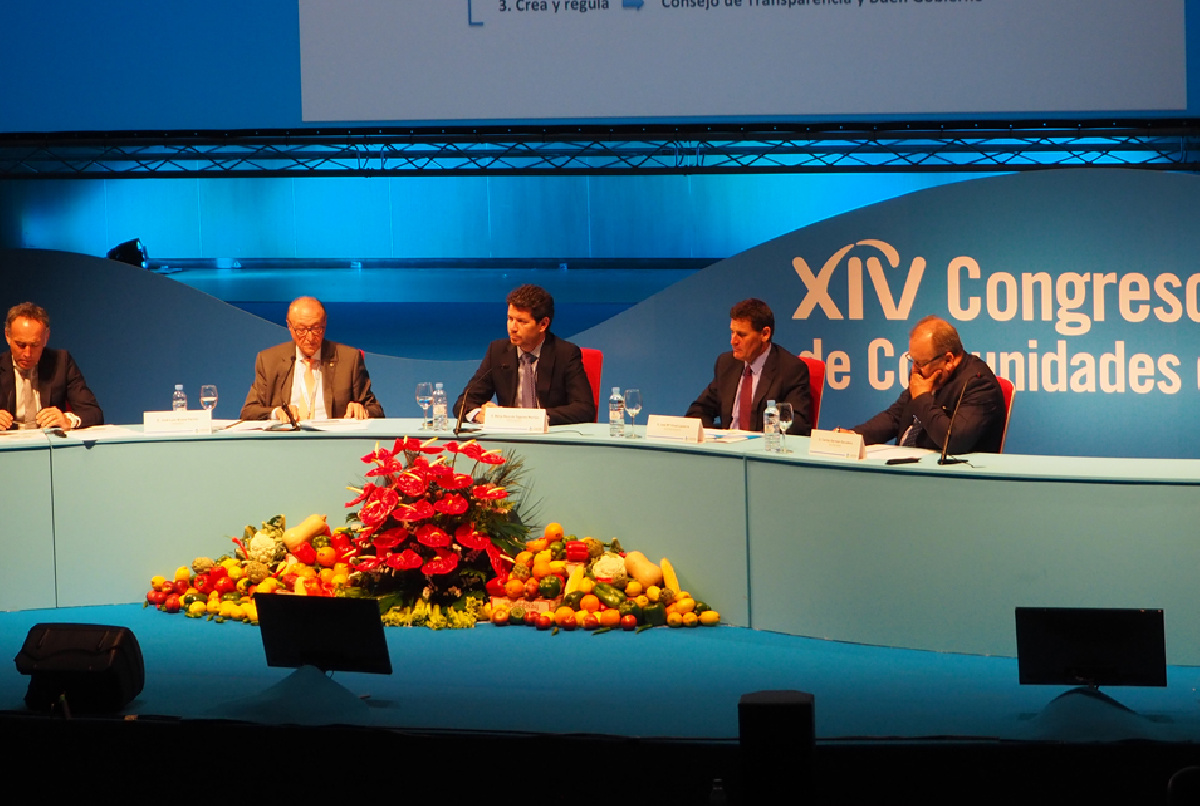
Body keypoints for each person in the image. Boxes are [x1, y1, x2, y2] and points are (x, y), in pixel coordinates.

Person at [853, 315, 1005, 454]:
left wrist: (922, 398)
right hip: (906, 467)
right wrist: (854, 437)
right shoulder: (926, 374)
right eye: (913, 360)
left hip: (950, 477)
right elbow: (895, 417)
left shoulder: (978, 384)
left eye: (921, 363)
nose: (915, 370)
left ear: (948, 360)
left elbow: (953, 442)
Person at [454, 284, 595, 426]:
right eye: (510, 319)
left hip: (549, 437)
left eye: (521, 321)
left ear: (543, 324)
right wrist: (480, 415)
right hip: (509, 439)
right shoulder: (497, 351)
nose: (512, 328)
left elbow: (584, 409)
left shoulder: (565, 353)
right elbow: (463, 403)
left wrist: (530, 418)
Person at [240, 296, 383, 421]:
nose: (309, 338)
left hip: (331, 441)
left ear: (325, 324)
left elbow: (376, 410)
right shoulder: (269, 360)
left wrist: (362, 411)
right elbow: (249, 412)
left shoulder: (349, 359)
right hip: (286, 441)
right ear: (290, 326)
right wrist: (275, 413)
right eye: (301, 330)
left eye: (316, 329)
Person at [685, 298, 812, 435]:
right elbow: (699, 410)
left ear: (765, 334)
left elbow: (795, 425)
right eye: (732, 332)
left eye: (741, 335)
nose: (733, 341)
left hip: (762, 451)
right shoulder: (726, 363)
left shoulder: (790, 369)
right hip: (727, 450)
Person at [0, 302, 103, 430]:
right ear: (7, 336)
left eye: (35, 345)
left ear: (46, 338)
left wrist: (67, 420)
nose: (27, 353)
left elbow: (93, 412)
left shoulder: (61, 362)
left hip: (50, 445)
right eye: (21, 345)